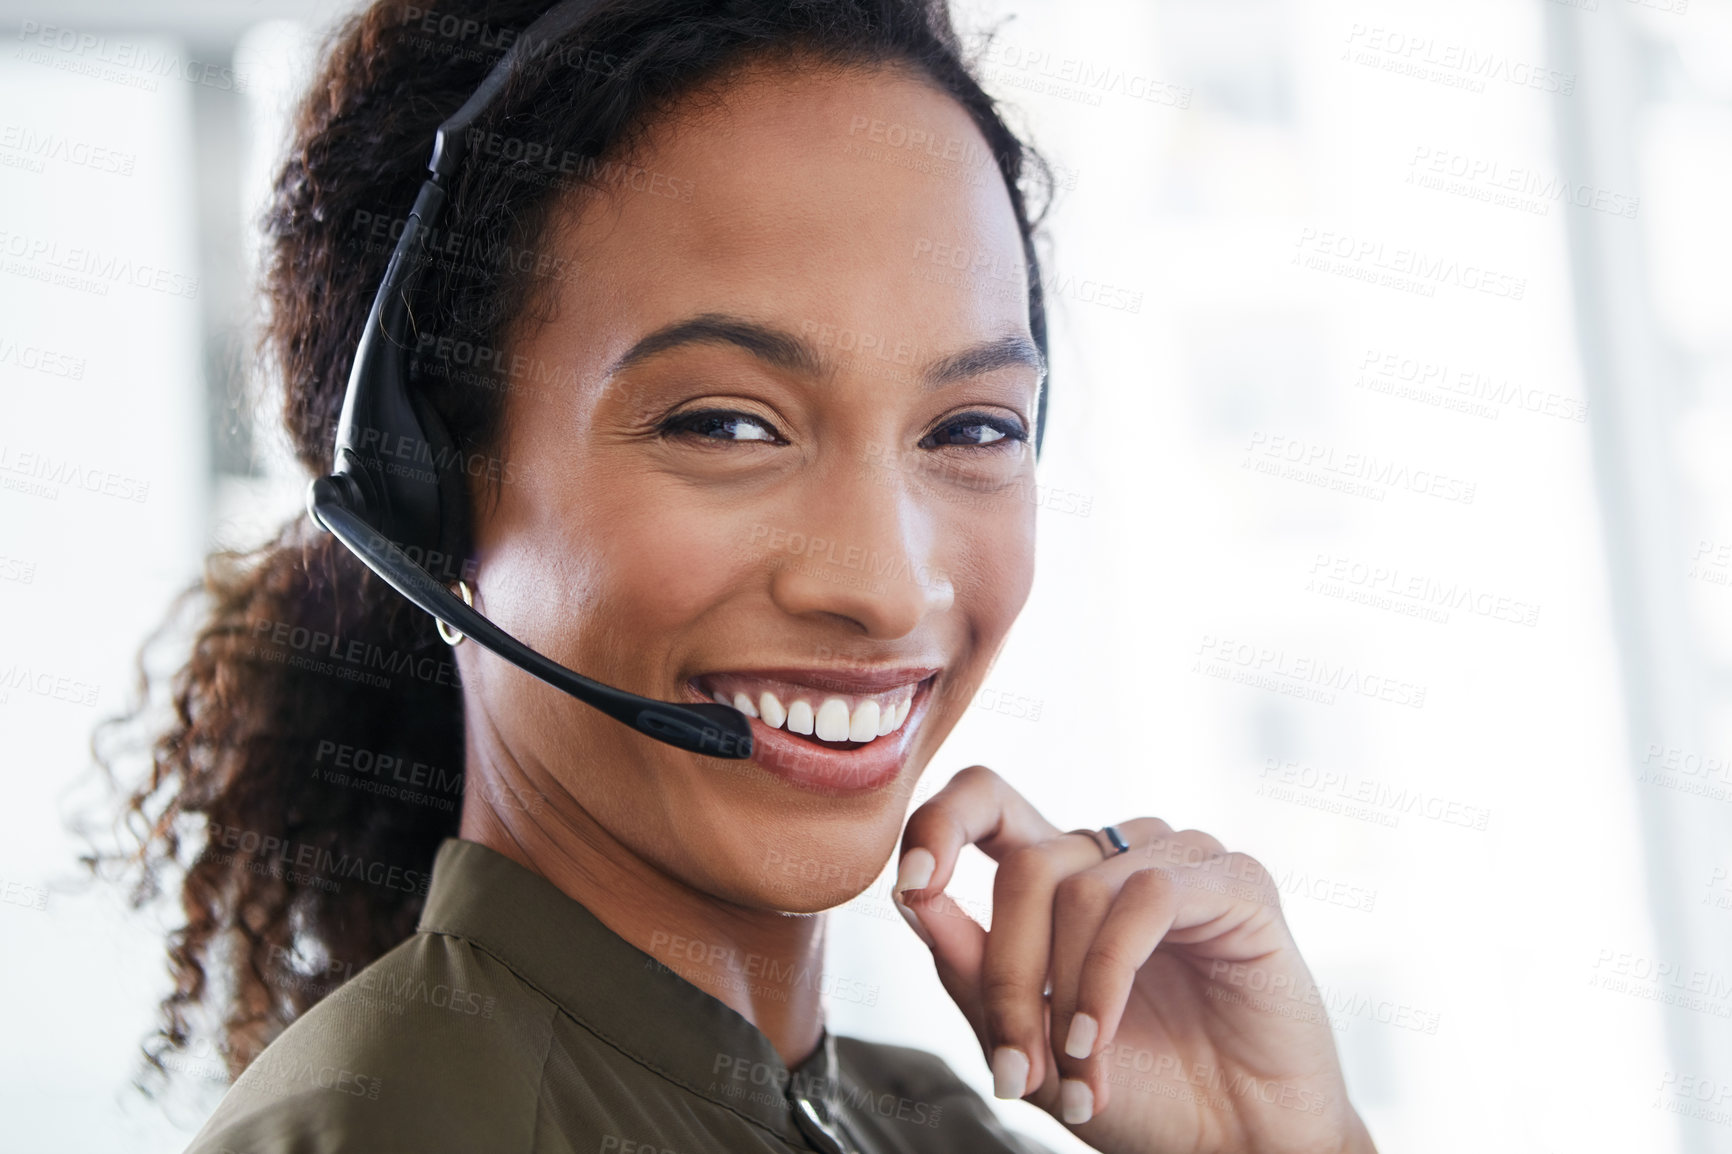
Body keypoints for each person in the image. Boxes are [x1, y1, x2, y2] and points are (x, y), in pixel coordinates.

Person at [92, 0, 1377, 1150]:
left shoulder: (922, 1119)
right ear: (431, 494)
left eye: (970, 427)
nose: (883, 584)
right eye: (727, 424)